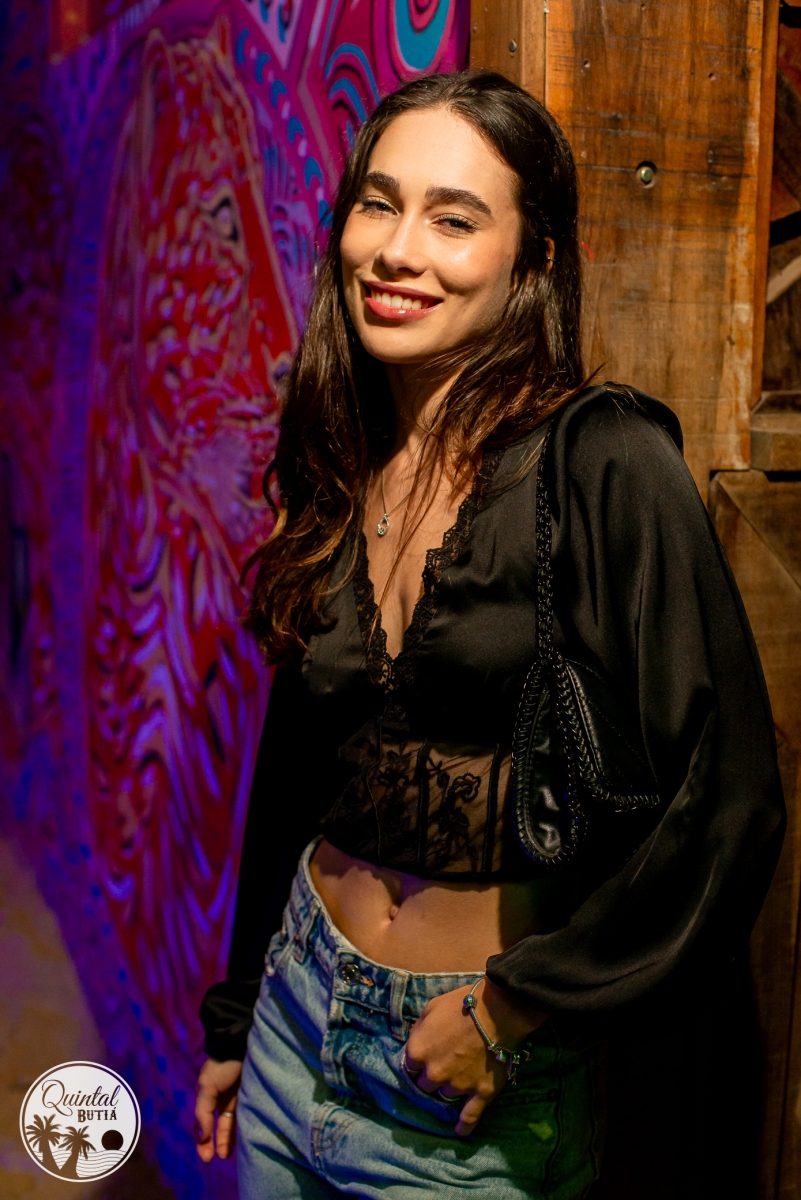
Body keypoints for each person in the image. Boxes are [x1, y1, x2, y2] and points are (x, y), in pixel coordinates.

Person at [194, 71, 785, 1199]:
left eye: (454, 220)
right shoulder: (340, 455)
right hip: (292, 1011)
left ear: (534, 261)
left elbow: (728, 798)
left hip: (458, 1074)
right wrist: (237, 1014)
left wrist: (514, 1008)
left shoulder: (603, 462)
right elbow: (296, 768)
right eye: (378, 204)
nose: (396, 251)